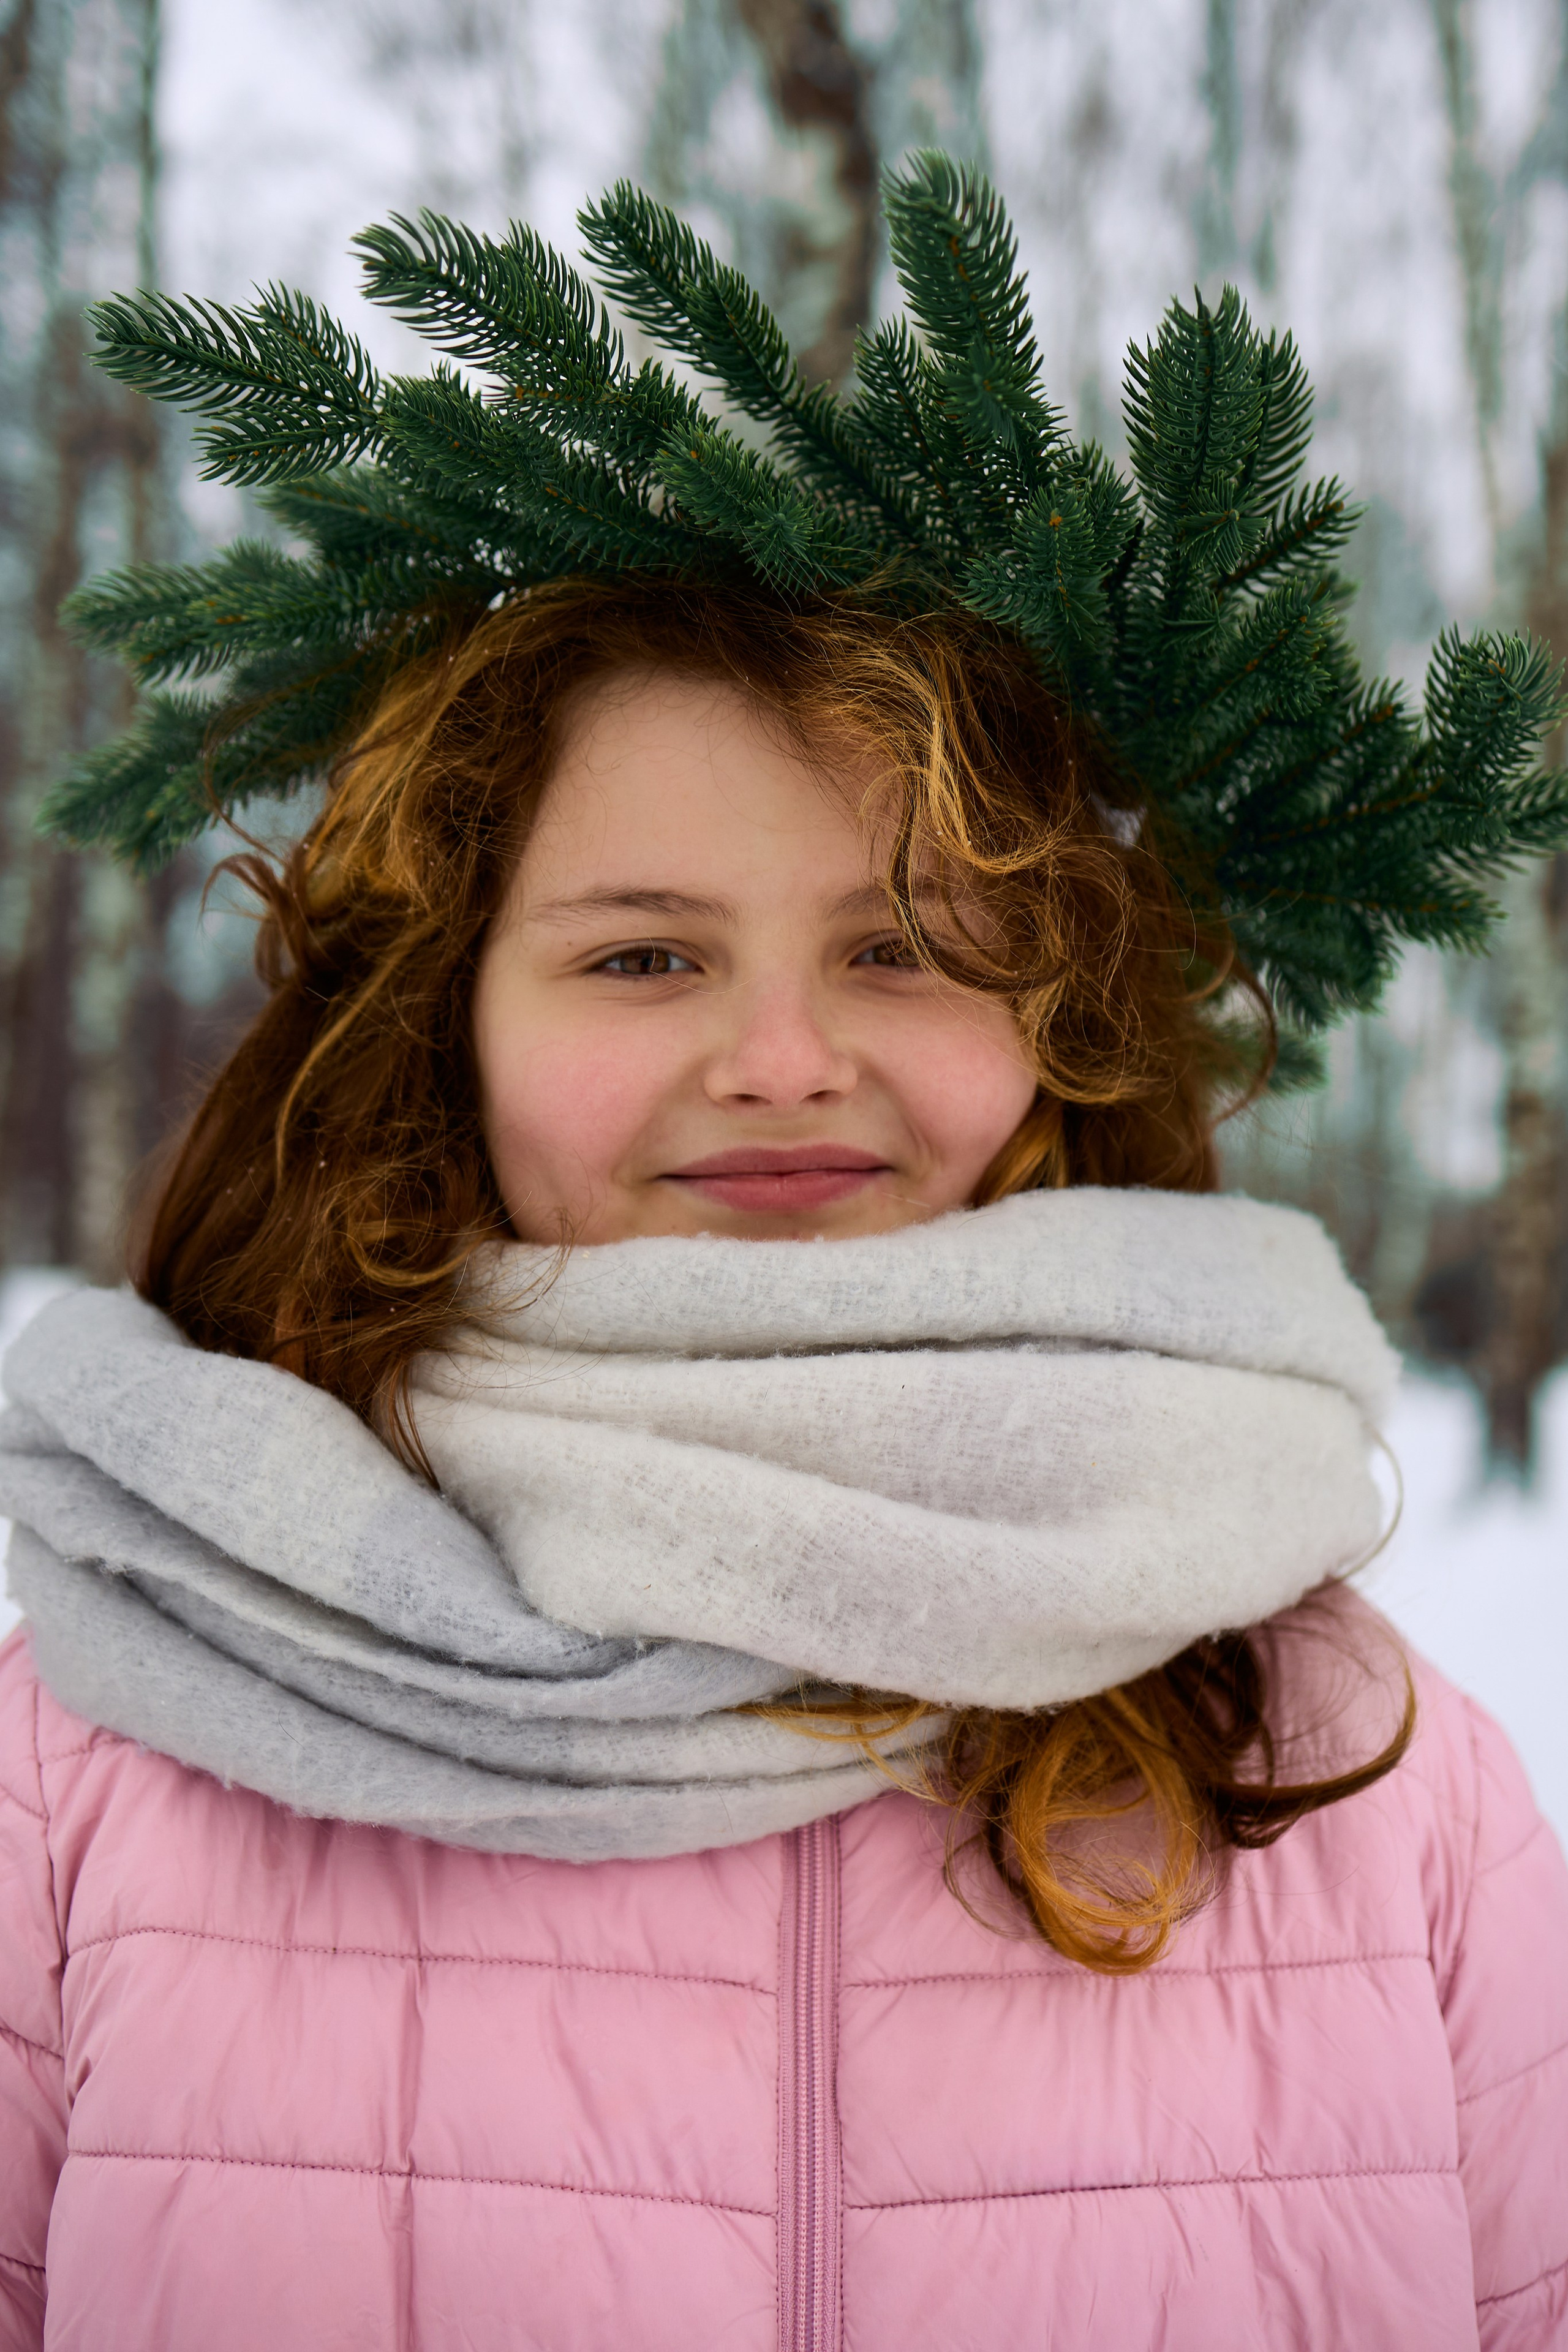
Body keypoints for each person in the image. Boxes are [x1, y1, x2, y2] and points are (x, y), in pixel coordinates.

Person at [2, 159, 1566, 2351]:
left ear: (1055, 1018)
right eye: (641, 953)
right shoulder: (107, 1738)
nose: (779, 1058)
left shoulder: (1359, 1771)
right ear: (447, 1016)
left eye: (905, 949)